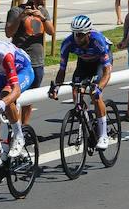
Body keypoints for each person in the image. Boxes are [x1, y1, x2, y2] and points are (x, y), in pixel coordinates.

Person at [48, 16, 114, 151]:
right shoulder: (68, 43)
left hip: (99, 63)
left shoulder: (98, 41)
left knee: (96, 95)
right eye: (75, 33)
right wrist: (57, 87)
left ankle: (103, 135)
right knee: (76, 91)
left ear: (88, 33)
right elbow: (62, 70)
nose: (77, 37)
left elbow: (107, 72)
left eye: (80, 34)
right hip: (84, 62)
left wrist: (99, 88)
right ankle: (85, 117)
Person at [5, 0, 53, 126]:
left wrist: (42, 18)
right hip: (20, 63)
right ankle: (16, 127)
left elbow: (52, 32)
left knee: (30, 99)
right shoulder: (15, 11)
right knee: (16, 97)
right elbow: (8, 33)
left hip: (38, 63)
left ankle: (25, 128)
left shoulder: (43, 12)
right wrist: (21, 17)